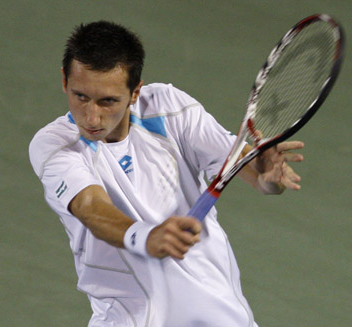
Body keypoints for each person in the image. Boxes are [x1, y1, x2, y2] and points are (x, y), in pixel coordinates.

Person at [29, 21, 304, 327]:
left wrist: (266, 178)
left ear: (135, 92)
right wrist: (145, 237)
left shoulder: (169, 108)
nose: (92, 116)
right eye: (81, 96)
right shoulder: (54, 145)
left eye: (108, 101)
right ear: (64, 81)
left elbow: (252, 172)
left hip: (219, 315)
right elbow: (91, 208)